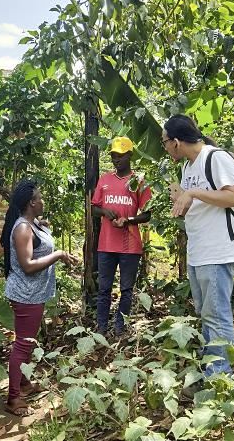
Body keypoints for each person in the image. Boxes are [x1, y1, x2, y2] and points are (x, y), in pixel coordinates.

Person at [162, 114, 234, 380]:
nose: (164, 148)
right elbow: (198, 203)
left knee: (216, 315)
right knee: (205, 313)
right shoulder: (189, 167)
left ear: (176, 142)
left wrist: (193, 193)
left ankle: (218, 379)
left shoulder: (215, 158)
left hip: (217, 250)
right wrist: (181, 196)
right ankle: (212, 368)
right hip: (198, 251)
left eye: (165, 142)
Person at [0, 179, 78, 416]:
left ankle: (23, 384)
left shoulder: (30, 224)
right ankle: (14, 398)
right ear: (32, 203)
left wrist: (41, 226)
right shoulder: (23, 228)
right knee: (23, 345)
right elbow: (28, 265)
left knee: (28, 342)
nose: (43, 201)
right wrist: (58, 254)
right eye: (40, 198)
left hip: (33, 294)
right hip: (26, 295)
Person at [91, 136, 152, 336]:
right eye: (114, 156)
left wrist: (128, 220)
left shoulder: (139, 181)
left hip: (130, 246)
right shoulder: (105, 180)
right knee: (104, 289)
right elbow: (94, 209)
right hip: (106, 245)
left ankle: (120, 327)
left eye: (120, 156)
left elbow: (147, 214)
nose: (116, 160)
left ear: (130, 155)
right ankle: (101, 327)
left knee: (126, 290)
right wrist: (105, 212)